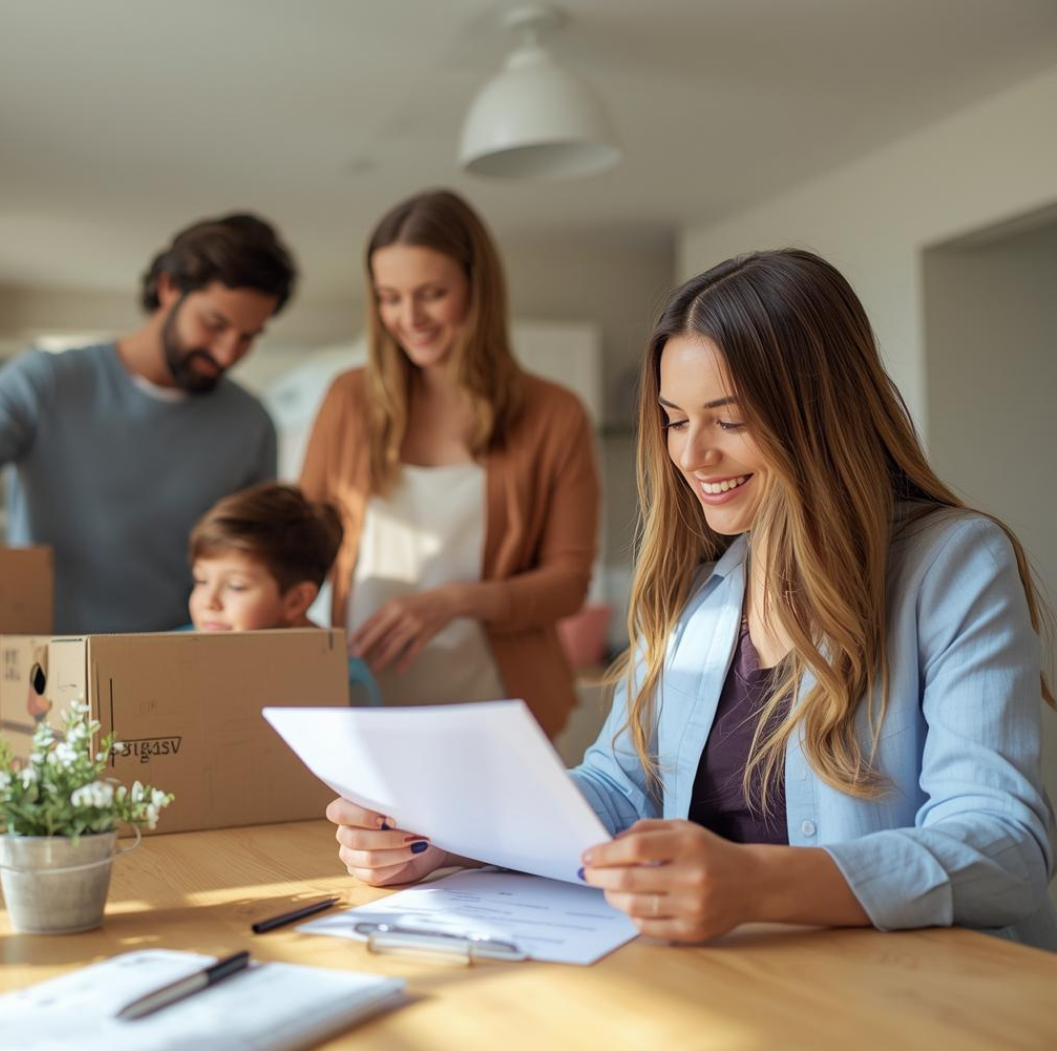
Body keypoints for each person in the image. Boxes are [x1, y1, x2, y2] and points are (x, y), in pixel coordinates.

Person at [325, 248, 1057, 951]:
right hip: (717, 978)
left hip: (893, 994)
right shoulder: (698, 592)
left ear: (820, 413)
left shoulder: (954, 564)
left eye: (729, 420)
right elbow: (618, 788)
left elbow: (1005, 847)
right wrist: (450, 834)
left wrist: (757, 885)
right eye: (675, 419)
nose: (690, 454)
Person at [0, 214, 297, 634]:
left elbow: (261, 557)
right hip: (48, 659)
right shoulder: (46, 383)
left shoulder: (251, 423)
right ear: (169, 288)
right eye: (215, 324)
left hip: (182, 661)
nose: (227, 353)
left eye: (248, 337)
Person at [299, 189, 598, 738]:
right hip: (363, 705)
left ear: (477, 289)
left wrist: (455, 601)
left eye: (432, 294)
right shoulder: (348, 399)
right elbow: (299, 546)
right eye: (389, 298)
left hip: (497, 710)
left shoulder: (554, 414)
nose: (409, 318)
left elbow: (568, 583)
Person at [186, 483, 380, 706]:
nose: (209, 602)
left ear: (296, 601)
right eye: (201, 580)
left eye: (236, 586)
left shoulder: (343, 681)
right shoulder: (170, 651)